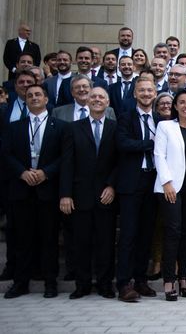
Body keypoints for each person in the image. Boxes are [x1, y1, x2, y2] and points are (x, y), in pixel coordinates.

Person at [3, 84, 66, 299]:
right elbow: (6, 155)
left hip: (47, 189)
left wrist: (46, 172)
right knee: (22, 239)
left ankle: (50, 283)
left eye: (38, 94)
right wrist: (22, 172)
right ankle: (20, 283)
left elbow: (64, 157)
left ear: (46, 99)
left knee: (49, 239)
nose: (34, 98)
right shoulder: (14, 127)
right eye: (30, 96)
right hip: (21, 189)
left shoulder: (60, 126)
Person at [59, 87, 118, 300]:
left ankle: (105, 284)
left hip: (106, 195)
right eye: (93, 97)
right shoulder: (73, 129)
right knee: (80, 242)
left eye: (101, 97)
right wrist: (65, 194)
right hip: (79, 195)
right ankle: (82, 284)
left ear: (108, 102)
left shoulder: (115, 127)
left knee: (105, 242)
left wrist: (112, 185)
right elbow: (67, 163)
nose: (96, 100)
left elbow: (119, 162)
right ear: (87, 101)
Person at [154, 89, 186, 301]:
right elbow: (159, 154)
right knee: (172, 231)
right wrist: (166, 182)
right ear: (175, 106)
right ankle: (169, 280)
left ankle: (183, 278)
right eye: (182, 102)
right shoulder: (165, 126)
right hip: (171, 188)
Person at [115, 74, 159, 302]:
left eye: (149, 90)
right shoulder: (125, 117)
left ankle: (140, 280)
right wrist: (150, 145)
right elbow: (123, 144)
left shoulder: (161, 119)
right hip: (131, 184)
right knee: (129, 235)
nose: (146, 94)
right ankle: (124, 283)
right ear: (134, 94)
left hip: (153, 183)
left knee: (145, 235)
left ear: (155, 93)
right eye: (141, 90)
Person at [147, 92, 173, 281]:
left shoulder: (179, 124)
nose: (165, 106)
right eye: (161, 103)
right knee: (156, 223)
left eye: (169, 103)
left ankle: (174, 262)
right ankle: (156, 261)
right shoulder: (152, 123)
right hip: (151, 179)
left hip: (174, 181)